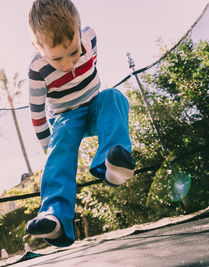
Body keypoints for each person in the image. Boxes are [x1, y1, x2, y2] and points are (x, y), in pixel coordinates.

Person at [26, 0, 136, 247]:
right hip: (66, 116)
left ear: (79, 31)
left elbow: (91, 68)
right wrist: (48, 146)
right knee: (62, 139)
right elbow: (36, 112)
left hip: (95, 106)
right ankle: (55, 216)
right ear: (38, 47)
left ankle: (112, 164)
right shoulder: (37, 70)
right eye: (57, 58)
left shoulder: (90, 37)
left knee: (114, 97)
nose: (68, 64)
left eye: (74, 52)